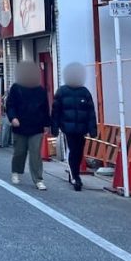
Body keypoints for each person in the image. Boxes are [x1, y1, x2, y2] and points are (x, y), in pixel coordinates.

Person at [52, 62, 98, 191]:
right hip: (68, 128)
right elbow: (55, 111)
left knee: (79, 152)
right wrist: (54, 128)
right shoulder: (61, 91)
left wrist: (92, 129)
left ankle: (74, 173)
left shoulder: (84, 92)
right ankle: (75, 177)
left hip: (81, 129)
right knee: (73, 151)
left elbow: (91, 112)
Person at [5, 61, 51, 190]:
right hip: (20, 125)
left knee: (35, 153)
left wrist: (47, 124)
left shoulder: (40, 90)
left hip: (36, 126)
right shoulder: (16, 88)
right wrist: (13, 117)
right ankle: (16, 171)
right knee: (20, 152)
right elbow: (10, 105)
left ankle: (38, 179)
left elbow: (45, 108)